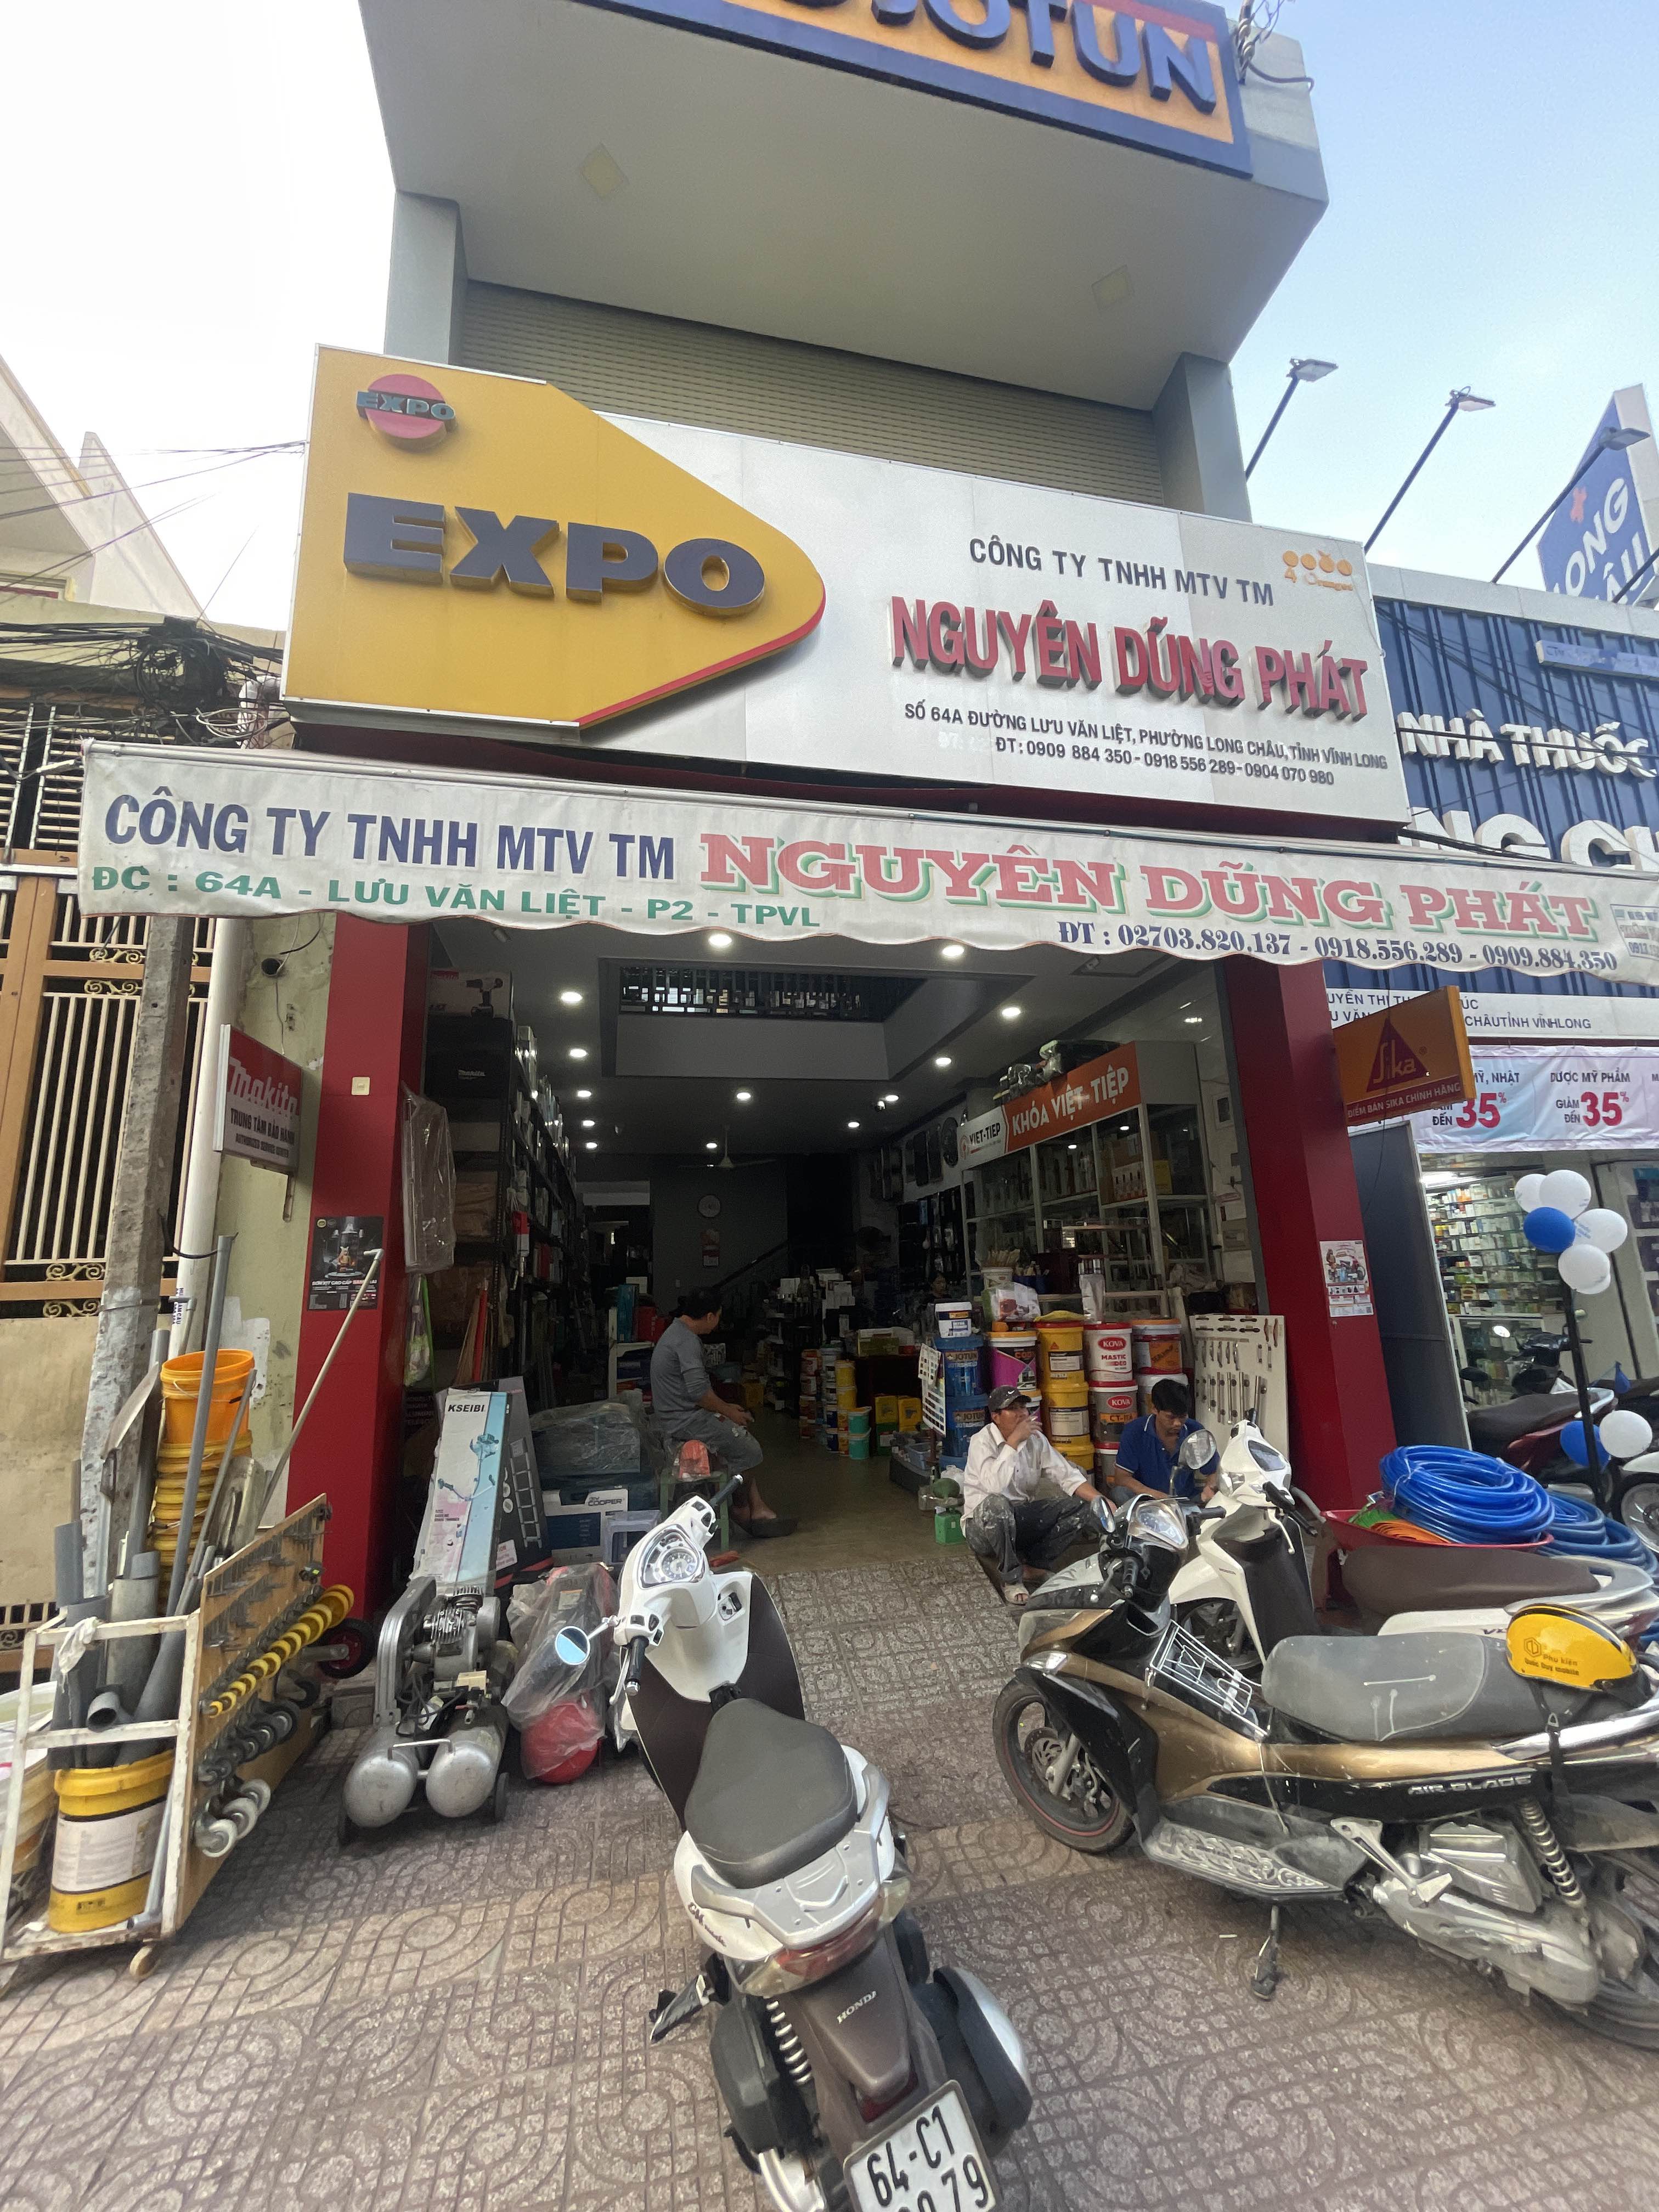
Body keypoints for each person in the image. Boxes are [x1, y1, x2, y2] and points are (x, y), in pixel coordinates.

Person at [648, 1291, 795, 1538]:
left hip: (681, 1413)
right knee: (749, 1450)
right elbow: (699, 1393)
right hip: (684, 1420)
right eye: (718, 1317)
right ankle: (741, 1508)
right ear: (709, 1317)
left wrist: (727, 1409)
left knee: (740, 1435)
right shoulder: (686, 1341)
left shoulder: (676, 1333)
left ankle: (757, 1506)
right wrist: (727, 1411)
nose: (718, 1323)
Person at [961, 1385, 1104, 1605]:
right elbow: (994, 1486)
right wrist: (1013, 1443)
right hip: (982, 1527)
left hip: (1018, 1520)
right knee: (998, 1504)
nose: (1021, 1414)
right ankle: (1011, 1579)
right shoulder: (981, 1441)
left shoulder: (1036, 1440)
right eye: (1013, 1409)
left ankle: (1036, 1567)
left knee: (1082, 1506)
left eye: (1023, 1408)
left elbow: (1067, 1475)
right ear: (996, 1417)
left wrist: (1102, 1501)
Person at [1113, 1378, 1218, 1503]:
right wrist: (1155, 1495)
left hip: (1186, 1500)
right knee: (1119, 1493)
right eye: (1171, 1417)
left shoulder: (1195, 1431)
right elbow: (1122, 1478)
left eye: (1182, 1417)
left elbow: (1214, 1471)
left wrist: (1210, 1488)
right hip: (1148, 1501)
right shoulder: (1135, 1432)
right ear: (1154, 1409)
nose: (1177, 1423)